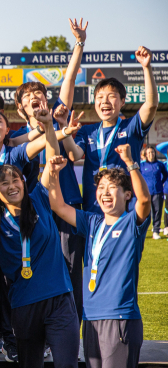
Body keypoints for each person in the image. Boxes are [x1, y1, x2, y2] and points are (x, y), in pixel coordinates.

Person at [0, 105, 82, 368]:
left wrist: (48, 126)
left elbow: (52, 160)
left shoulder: (39, 200)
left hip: (60, 301)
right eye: (4, 183)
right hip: (24, 308)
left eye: (16, 180)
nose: (12, 186)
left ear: (24, 182)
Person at [10, 18, 88, 336]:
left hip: (66, 208)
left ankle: (72, 331)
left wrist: (79, 44)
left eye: (42, 97)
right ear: (21, 110)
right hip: (36, 212)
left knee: (71, 271)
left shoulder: (58, 118)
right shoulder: (17, 138)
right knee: (36, 271)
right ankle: (37, 335)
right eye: (32, 102)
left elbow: (69, 81)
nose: (39, 103)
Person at [48, 144, 151, 368]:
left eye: (112, 187)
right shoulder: (92, 222)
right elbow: (58, 205)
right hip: (90, 319)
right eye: (101, 187)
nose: (105, 192)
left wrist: (131, 164)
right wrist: (54, 173)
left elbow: (144, 202)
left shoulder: (132, 223)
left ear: (127, 195)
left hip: (120, 317)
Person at [73, 46, 157, 213]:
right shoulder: (87, 131)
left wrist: (146, 68)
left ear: (122, 102)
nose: (105, 101)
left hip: (125, 208)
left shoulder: (131, 127)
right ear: (95, 102)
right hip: (93, 207)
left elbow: (151, 105)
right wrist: (66, 131)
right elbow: (73, 155)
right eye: (100, 97)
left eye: (111, 96)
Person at [140, 146, 168, 239]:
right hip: (146, 193)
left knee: (157, 212)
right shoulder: (142, 165)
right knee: (145, 213)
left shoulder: (160, 164)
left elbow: (165, 175)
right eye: (148, 153)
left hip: (158, 192)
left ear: (154, 154)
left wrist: (160, 183)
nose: (150, 154)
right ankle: (142, 231)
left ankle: (156, 231)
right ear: (145, 155)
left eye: (152, 152)